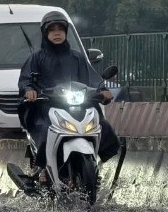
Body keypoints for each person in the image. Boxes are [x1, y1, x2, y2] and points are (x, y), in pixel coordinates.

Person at [19, 11, 120, 184]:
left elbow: (93, 79)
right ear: (45, 33)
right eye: (52, 30)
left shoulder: (77, 57)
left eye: (60, 29)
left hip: (77, 106)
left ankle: (95, 165)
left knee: (102, 125)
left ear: (66, 32)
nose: (57, 33)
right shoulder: (36, 57)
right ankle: (42, 167)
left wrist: (102, 90)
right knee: (44, 129)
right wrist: (29, 90)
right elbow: (26, 80)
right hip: (47, 107)